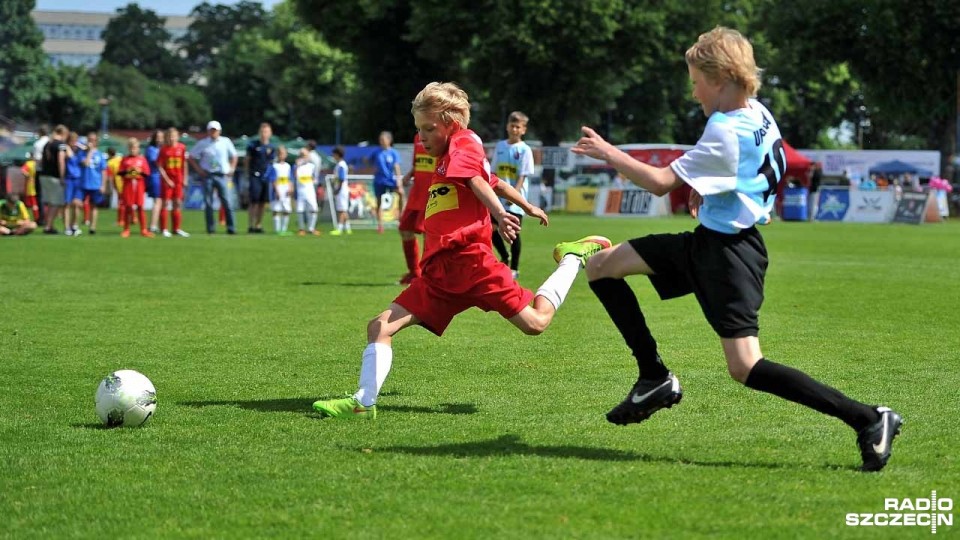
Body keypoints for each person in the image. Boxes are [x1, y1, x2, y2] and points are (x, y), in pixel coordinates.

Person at [569, 27, 901, 472]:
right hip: (711, 241)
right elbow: (751, 170)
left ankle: (868, 417)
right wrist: (708, 190)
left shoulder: (723, 129)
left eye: (695, 82)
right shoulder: (759, 113)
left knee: (745, 366)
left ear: (721, 78)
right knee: (602, 267)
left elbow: (661, 182)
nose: (693, 93)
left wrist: (609, 152)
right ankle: (653, 377)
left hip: (728, 256)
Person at [311, 81, 608, 420]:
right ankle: (363, 403)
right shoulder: (448, 157)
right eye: (419, 130)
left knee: (536, 322)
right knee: (379, 327)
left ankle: (572, 257)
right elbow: (491, 178)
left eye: (428, 129)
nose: (422, 139)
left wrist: (500, 214)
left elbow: (477, 180)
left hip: (472, 263)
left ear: (451, 124)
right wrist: (525, 203)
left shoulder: (463, 142)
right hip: (439, 273)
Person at [490, 111, 535, 279]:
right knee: (491, 228)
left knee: (513, 232)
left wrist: (513, 196)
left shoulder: (525, 150)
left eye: (518, 127)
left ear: (523, 130)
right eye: (512, 125)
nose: (514, 129)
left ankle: (514, 268)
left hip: (515, 200)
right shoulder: (500, 146)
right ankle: (505, 256)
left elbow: (522, 176)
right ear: (507, 126)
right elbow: (493, 172)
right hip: (497, 197)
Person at [395, 133, 434, 283]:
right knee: (404, 229)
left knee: (429, 234)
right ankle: (414, 272)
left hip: (432, 192)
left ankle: (427, 275)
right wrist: (408, 175)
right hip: (416, 192)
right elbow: (418, 163)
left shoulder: (441, 134)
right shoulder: (417, 136)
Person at [188, 120, 238, 234]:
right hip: (208, 175)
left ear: (219, 131)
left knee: (227, 202)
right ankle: (211, 228)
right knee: (209, 203)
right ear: (208, 131)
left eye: (215, 130)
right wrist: (199, 170)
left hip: (222, 175)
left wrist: (232, 168)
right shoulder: (203, 143)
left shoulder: (226, 142)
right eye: (211, 130)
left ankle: (231, 228)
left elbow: (234, 155)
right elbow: (191, 157)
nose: (213, 132)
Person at [118, 138, 154, 238]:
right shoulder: (125, 159)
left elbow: (146, 173)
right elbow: (120, 172)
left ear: (138, 148)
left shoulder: (142, 159)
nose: (133, 150)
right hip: (128, 186)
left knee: (140, 207)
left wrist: (138, 172)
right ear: (128, 148)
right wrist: (130, 172)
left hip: (139, 186)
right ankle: (126, 229)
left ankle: (144, 230)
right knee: (128, 207)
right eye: (131, 148)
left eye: (135, 148)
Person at [158, 127, 190, 238]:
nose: (172, 138)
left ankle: (176, 228)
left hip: (178, 179)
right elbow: (160, 166)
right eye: (169, 136)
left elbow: (184, 164)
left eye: (174, 136)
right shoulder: (163, 149)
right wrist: (167, 179)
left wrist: (185, 178)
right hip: (168, 180)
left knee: (177, 203)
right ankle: (164, 229)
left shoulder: (182, 148)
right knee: (165, 203)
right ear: (166, 137)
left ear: (178, 137)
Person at [245, 122, 276, 233]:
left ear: (270, 133)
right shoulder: (253, 145)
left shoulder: (271, 147)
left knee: (263, 202)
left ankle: (258, 224)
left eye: (266, 131)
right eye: (262, 131)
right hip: (255, 175)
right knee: (254, 201)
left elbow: (272, 163)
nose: (264, 134)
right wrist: (247, 173)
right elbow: (247, 160)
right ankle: (251, 225)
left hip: (266, 177)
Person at [372, 130, 403, 233]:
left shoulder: (393, 153)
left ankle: (401, 218)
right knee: (379, 202)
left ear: (389, 140)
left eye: (383, 139)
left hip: (390, 180)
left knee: (401, 193)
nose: (381, 141)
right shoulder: (376, 152)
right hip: (379, 180)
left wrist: (399, 180)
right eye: (380, 139)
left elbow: (397, 167)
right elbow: (368, 161)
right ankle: (380, 225)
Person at [77, 131, 107, 235]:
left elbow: (103, 171)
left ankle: (92, 227)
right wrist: (89, 152)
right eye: (89, 140)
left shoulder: (100, 155)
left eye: (93, 140)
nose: (91, 142)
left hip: (95, 184)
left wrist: (103, 185)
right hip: (83, 183)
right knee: (79, 204)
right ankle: (76, 225)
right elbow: (85, 164)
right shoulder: (82, 153)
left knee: (94, 206)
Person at [294, 147, 321, 236]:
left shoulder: (312, 166)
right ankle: (301, 228)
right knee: (300, 209)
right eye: (302, 155)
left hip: (310, 190)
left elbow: (314, 178)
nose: (304, 157)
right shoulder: (296, 166)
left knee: (313, 208)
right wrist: (298, 165)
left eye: (305, 155)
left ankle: (311, 228)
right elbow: (294, 176)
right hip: (300, 190)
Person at [268, 146, 293, 235]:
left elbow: (290, 178)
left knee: (286, 209)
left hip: (286, 190)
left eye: (283, 153)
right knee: (276, 209)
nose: (281, 155)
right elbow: (273, 180)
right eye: (279, 153)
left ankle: (284, 229)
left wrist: (290, 188)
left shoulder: (288, 166)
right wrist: (277, 190)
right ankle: (277, 229)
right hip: (277, 190)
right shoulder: (274, 166)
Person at [63, 131, 84, 236]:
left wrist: (79, 146)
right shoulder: (66, 149)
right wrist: (68, 146)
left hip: (78, 179)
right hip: (69, 178)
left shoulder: (80, 151)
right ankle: (67, 227)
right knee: (67, 203)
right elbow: (69, 156)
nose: (74, 142)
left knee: (77, 203)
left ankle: (74, 225)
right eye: (72, 140)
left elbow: (87, 150)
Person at [329, 146, 352, 235]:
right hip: (341, 189)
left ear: (338, 155)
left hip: (341, 189)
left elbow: (341, 178)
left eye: (334, 154)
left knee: (341, 210)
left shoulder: (341, 165)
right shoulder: (340, 164)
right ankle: (348, 228)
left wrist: (338, 189)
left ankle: (340, 228)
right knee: (343, 209)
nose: (333, 156)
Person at [145, 130, 165, 233]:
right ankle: (153, 225)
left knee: (160, 201)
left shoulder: (161, 149)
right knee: (157, 201)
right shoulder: (151, 149)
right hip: (155, 176)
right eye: (158, 137)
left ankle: (157, 224)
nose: (160, 139)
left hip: (160, 176)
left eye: (161, 137)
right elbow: (157, 163)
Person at [32, 125, 49, 225]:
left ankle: (42, 217)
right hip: (51, 172)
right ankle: (49, 216)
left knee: (40, 195)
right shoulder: (50, 142)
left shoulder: (38, 144)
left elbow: (37, 159)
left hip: (41, 171)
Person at [106, 147, 124, 226]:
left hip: (118, 182)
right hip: (125, 181)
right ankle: (133, 218)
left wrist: (111, 186)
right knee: (127, 202)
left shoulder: (109, 163)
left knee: (120, 202)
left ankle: (120, 220)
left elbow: (110, 175)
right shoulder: (120, 158)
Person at [21, 156, 40, 222]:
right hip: (38, 186)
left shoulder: (28, 163)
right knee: (36, 203)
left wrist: (28, 176)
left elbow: (23, 170)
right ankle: (37, 218)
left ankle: (36, 218)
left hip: (30, 187)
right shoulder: (37, 163)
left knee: (33, 204)